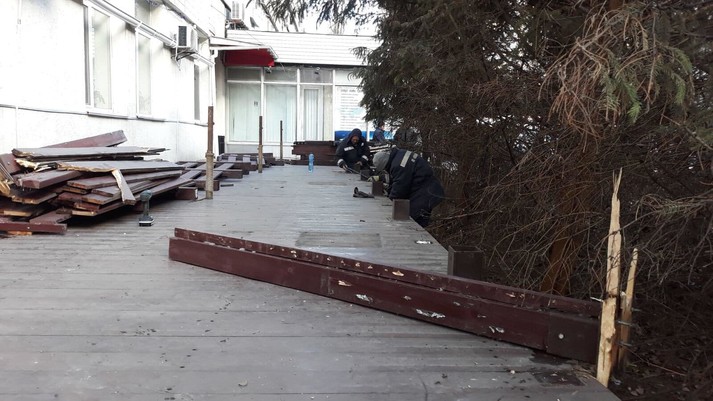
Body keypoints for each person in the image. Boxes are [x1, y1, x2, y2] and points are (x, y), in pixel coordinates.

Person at [372, 148, 444, 227]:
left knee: (414, 219)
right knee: (415, 216)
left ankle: (418, 233)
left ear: (386, 164)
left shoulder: (399, 165)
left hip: (426, 193)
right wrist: (381, 178)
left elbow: (400, 188)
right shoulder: (399, 154)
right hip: (428, 188)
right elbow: (398, 178)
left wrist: (390, 204)